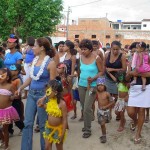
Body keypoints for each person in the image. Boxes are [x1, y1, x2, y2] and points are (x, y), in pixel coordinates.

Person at [17, 37, 56, 150]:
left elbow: (52, 85)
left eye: (34, 46)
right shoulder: (35, 60)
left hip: (43, 96)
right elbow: (31, 78)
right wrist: (21, 87)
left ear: (42, 47)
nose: (32, 48)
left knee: (43, 125)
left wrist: (44, 98)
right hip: (31, 95)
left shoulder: (50, 63)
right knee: (27, 123)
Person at [78, 39, 104, 138]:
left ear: (90, 49)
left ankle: (87, 129)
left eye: (85, 49)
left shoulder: (97, 58)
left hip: (92, 86)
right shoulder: (80, 57)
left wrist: (93, 79)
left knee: (87, 108)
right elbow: (80, 70)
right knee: (83, 106)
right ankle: (86, 123)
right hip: (81, 85)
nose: (83, 51)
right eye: (81, 49)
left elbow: (101, 71)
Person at [37, 79, 67, 150]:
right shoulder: (50, 100)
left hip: (58, 130)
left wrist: (62, 134)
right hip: (48, 127)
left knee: (59, 147)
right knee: (47, 147)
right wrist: (42, 106)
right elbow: (50, 109)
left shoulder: (62, 104)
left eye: (48, 91)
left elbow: (64, 120)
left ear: (56, 92)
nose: (46, 93)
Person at [126, 63, 150, 144]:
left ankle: (138, 133)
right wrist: (130, 73)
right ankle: (135, 121)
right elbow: (126, 78)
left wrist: (137, 73)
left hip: (146, 88)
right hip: (134, 89)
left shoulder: (148, 60)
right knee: (130, 112)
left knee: (141, 110)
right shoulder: (131, 63)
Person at [0, 68, 19, 150]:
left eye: (2, 75)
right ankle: (3, 140)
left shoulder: (10, 86)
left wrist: (13, 97)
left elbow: (15, 96)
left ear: (7, 77)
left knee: (5, 128)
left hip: (6, 111)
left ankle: (6, 145)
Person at [8, 64, 24, 136]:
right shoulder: (8, 79)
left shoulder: (18, 80)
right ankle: (10, 131)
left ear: (17, 71)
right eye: (10, 69)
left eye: (13, 70)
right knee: (8, 118)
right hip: (8, 101)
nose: (11, 71)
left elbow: (19, 91)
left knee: (16, 117)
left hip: (15, 101)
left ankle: (22, 128)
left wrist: (14, 96)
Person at [96, 76, 114, 143]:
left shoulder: (107, 93)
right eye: (98, 85)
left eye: (102, 85)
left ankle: (104, 136)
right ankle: (104, 134)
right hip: (99, 111)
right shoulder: (97, 93)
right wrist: (89, 84)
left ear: (105, 86)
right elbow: (89, 90)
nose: (100, 87)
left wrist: (106, 106)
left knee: (103, 123)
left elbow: (112, 102)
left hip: (106, 111)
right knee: (102, 124)